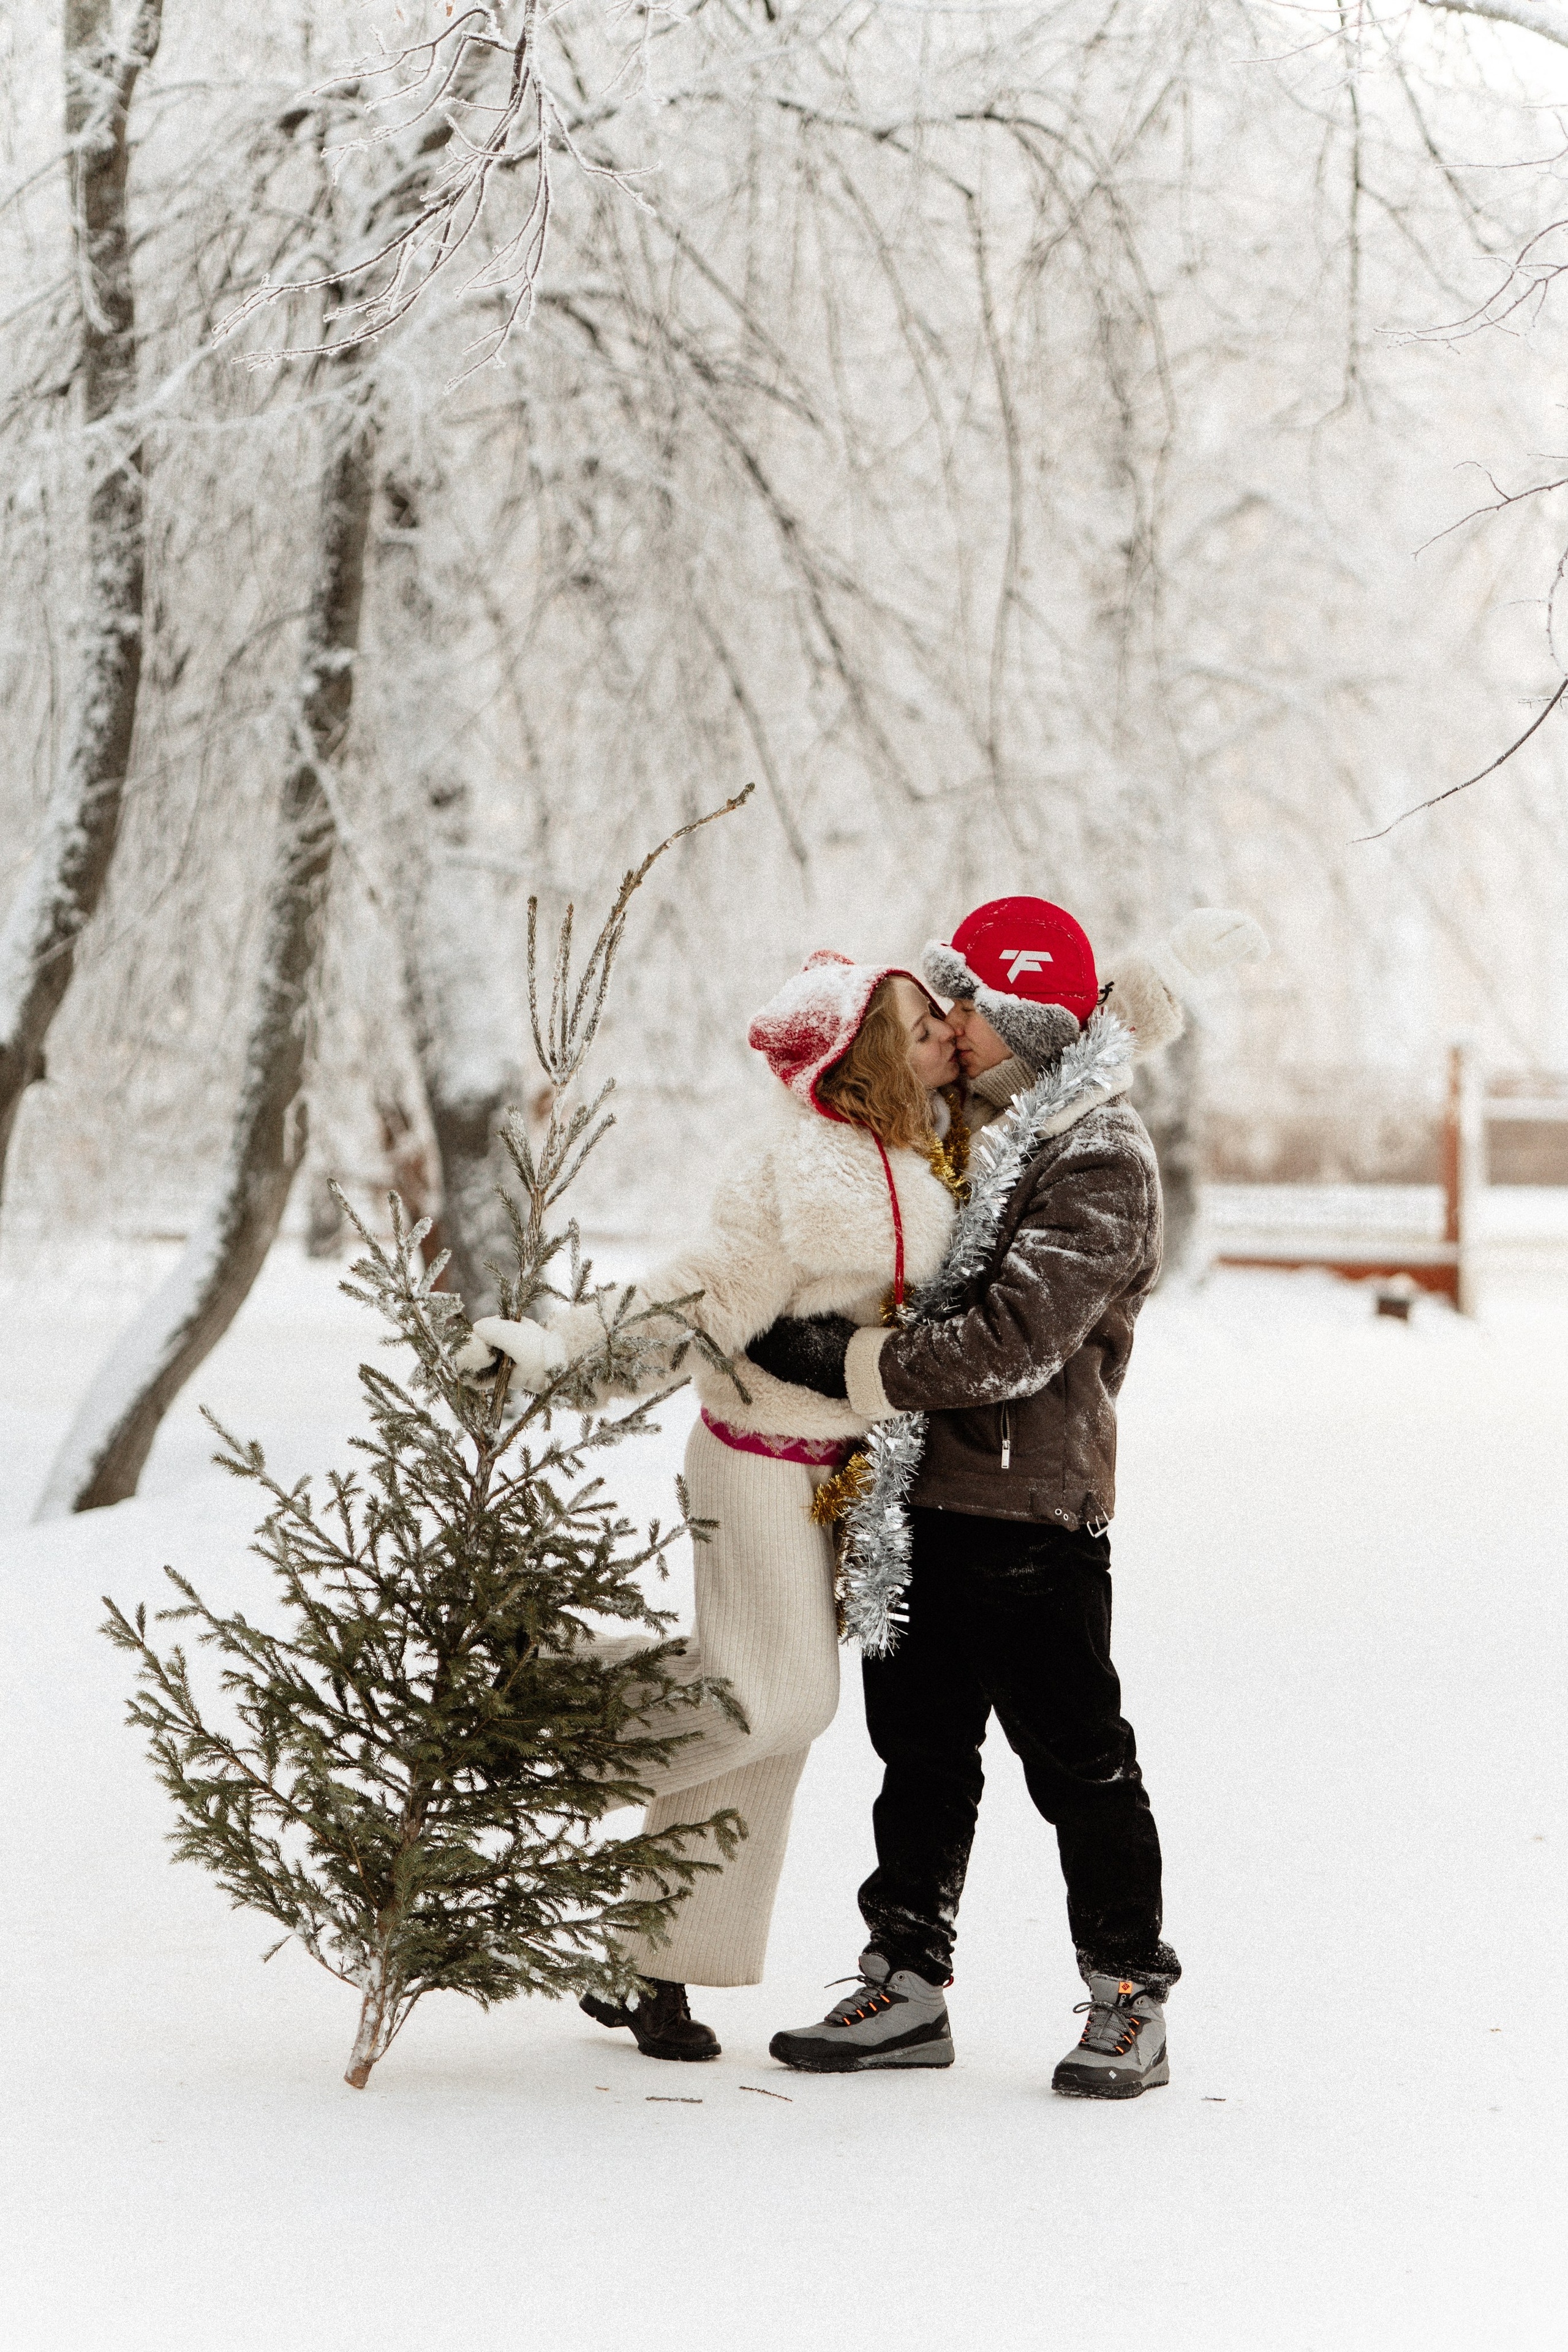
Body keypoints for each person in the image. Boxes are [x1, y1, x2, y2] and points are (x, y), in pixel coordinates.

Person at [750, 897, 1265, 2097]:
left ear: (1025, 1013)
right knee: (916, 1756)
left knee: (1076, 1760)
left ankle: (1127, 1994)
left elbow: (1017, 1338)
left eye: (970, 1001)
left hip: (1031, 1510)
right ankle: (904, 1982)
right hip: (915, 1507)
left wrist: (850, 1367)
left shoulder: (1095, 1152)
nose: (952, 1022)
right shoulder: (958, 1136)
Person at [456, 952, 963, 2061]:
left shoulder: (911, 1149)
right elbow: (690, 1300)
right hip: (752, 1458)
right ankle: (546, 1705)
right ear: (864, 1053)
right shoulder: (787, 1168)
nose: (946, 1036)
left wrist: (1156, 980)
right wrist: (554, 1358)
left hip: (838, 1478)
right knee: (766, 1701)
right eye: (923, 1025)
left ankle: (650, 1968)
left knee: (768, 1738)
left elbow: (1061, 1025)